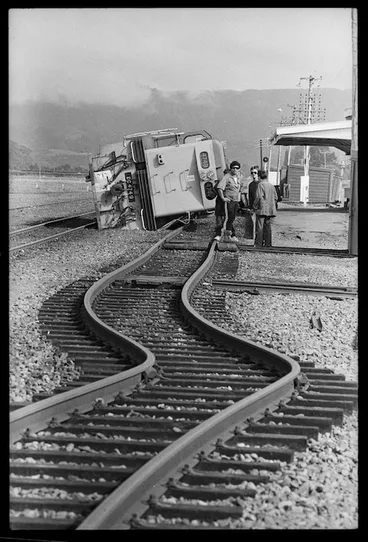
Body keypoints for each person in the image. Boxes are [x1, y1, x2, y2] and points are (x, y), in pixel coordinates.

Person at [214, 161, 241, 242]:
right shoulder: (227, 177)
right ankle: (220, 234)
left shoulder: (238, 177)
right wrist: (223, 198)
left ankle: (229, 235)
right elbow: (220, 188)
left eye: (237, 168)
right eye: (233, 168)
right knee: (227, 218)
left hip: (235, 201)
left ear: (239, 169)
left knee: (232, 218)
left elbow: (239, 189)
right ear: (231, 168)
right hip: (229, 201)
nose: (235, 169)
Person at [252, 169, 278, 247]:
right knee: (268, 227)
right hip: (270, 209)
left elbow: (258, 197)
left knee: (260, 227)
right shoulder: (271, 185)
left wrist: (254, 206)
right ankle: (268, 244)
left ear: (259, 177)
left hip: (262, 209)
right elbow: (276, 197)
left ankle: (258, 244)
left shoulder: (260, 185)